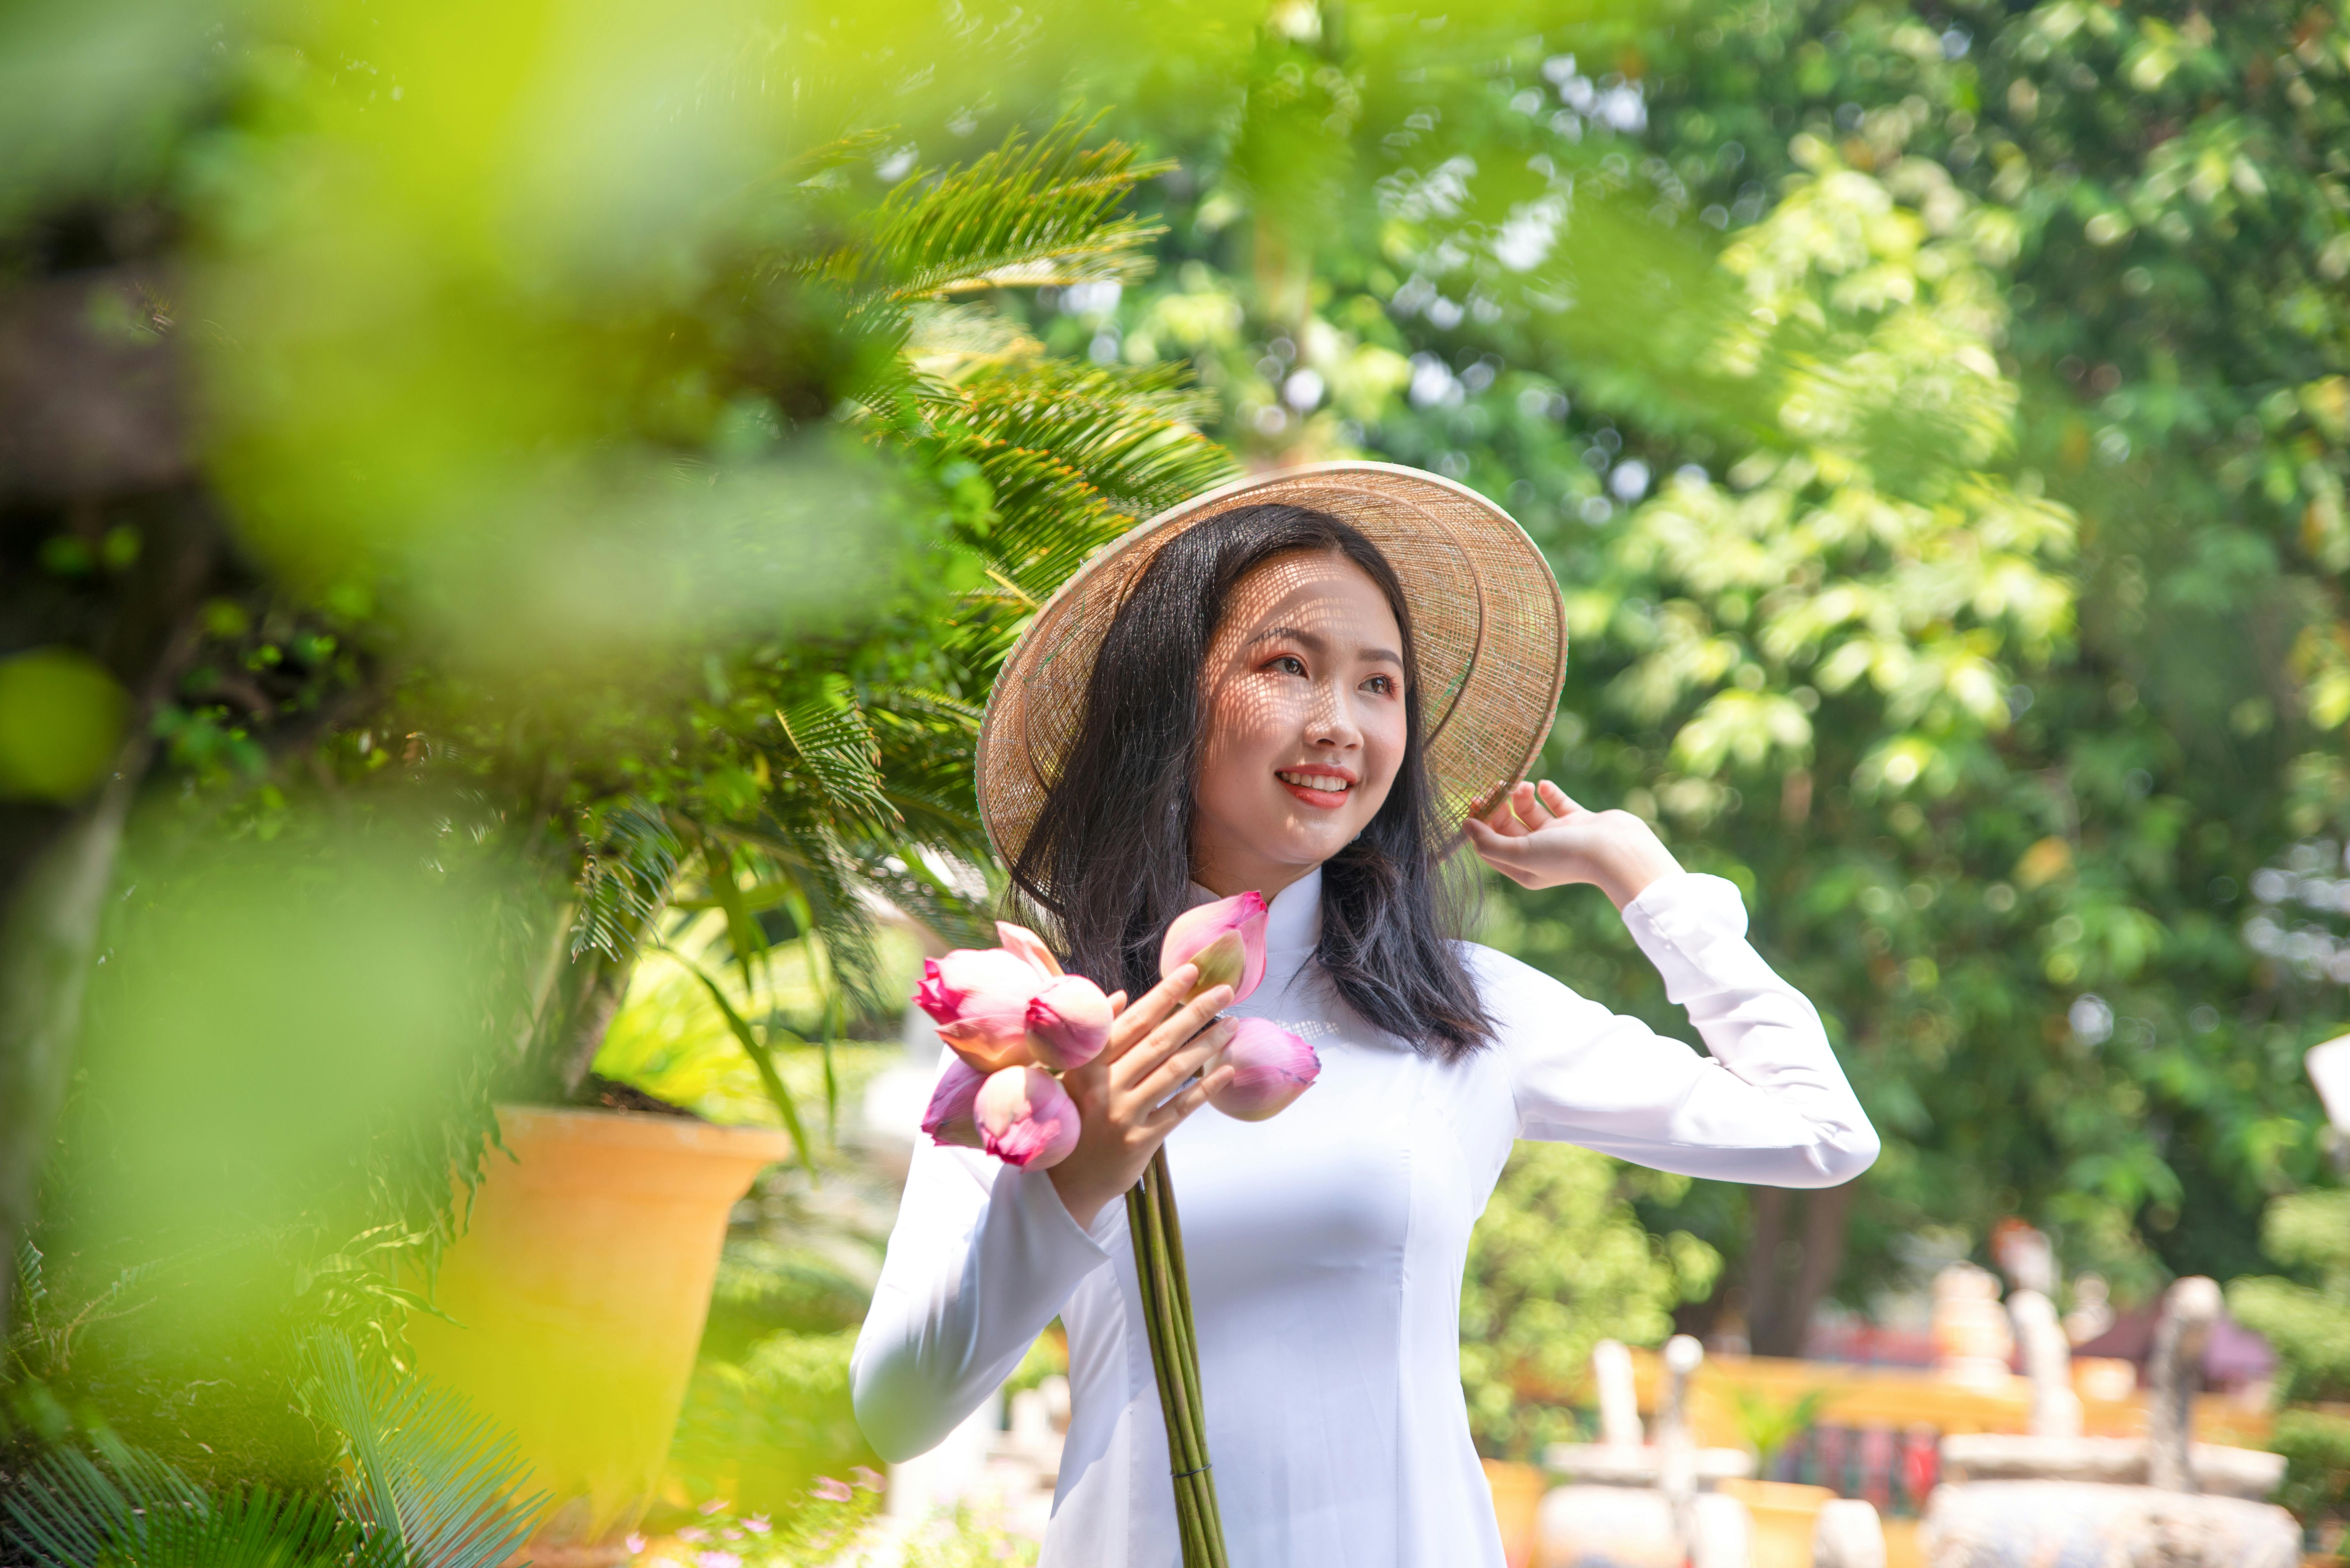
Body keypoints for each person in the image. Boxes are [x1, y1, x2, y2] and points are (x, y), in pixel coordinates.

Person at [852, 464, 1878, 1568]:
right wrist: (1075, 1175)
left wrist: (1646, 879)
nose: (1340, 724)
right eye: (1287, 666)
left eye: (1379, 686)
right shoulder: (1049, 1037)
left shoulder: (1462, 1014)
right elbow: (897, 1411)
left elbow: (1821, 1131)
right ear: (1169, 704)